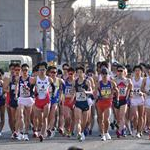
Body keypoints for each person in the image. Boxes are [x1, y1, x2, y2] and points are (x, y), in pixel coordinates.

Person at [32, 62, 55, 142]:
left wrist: (52, 94)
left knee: (45, 117)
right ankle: (40, 129)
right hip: (38, 100)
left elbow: (53, 87)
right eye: (40, 70)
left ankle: (42, 134)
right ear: (38, 70)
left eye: (43, 70)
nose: (42, 71)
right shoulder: (35, 79)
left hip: (46, 99)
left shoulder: (49, 79)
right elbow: (31, 88)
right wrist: (33, 95)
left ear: (46, 70)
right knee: (40, 119)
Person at [95, 67, 119, 141]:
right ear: (101, 75)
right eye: (103, 74)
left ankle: (106, 132)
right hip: (100, 103)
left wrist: (116, 99)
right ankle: (102, 134)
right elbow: (95, 92)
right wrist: (97, 96)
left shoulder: (111, 83)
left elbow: (117, 91)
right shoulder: (99, 83)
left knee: (106, 119)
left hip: (108, 102)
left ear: (108, 74)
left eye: (106, 73)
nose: (104, 75)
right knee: (100, 119)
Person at [15, 64, 35, 141]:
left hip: (29, 99)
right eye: (23, 70)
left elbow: (37, 86)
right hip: (21, 98)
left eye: (26, 70)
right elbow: (17, 87)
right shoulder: (18, 78)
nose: (24, 72)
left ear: (28, 70)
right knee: (20, 115)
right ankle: (20, 133)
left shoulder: (31, 79)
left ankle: (26, 133)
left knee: (27, 117)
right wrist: (16, 94)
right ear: (21, 71)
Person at [74, 66, 93, 142]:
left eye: (81, 72)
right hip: (78, 103)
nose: (79, 74)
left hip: (85, 103)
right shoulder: (75, 82)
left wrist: (86, 92)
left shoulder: (87, 82)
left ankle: (81, 132)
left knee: (84, 122)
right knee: (78, 120)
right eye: (78, 72)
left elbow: (91, 91)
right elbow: (73, 90)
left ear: (84, 73)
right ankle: (78, 133)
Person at [114, 65, 132, 138]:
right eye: (118, 71)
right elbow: (112, 90)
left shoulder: (128, 80)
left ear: (124, 71)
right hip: (116, 100)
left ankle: (121, 131)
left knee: (122, 116)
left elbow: (130, 89)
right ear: (117, 72)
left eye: (121, 71)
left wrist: (128, 97)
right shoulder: (114, 80)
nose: (120, 72)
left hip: (124, 100)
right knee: (118, 117)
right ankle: (122, 128)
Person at [4, 63, 21, 138]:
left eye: (15, 69)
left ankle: (17, 131)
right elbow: (4, 89)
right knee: (11, 117)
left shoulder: (20, 77)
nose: (13, 70)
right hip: (9, 99)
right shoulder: (8, 78)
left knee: (19, 116)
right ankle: (13, 131)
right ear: (10, 69)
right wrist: (9, 90)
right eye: (12, 69)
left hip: (19, 99)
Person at [47, 66, 65, 137]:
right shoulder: (47, 80)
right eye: (52, 72)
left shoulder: (59, 80)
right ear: (49, 73)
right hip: (47, 99)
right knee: (47, 115)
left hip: (55, 100)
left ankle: (50, 129)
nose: (53, 74)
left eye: (54, 72)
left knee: (53, 113)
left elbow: (64, 89)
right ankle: (49, 127)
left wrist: (61, 97)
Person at [130, 65, 145, 138]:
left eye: (139, 70)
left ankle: (139, 132)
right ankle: (135, 129)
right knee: (135, 116)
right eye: (136, 70)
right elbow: (128, 89)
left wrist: (142, 93)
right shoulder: (131, 79)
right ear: (134, 71)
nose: (137, 72)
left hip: (141, 99)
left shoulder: (143, 80)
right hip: (133, 99)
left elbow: (145, 91)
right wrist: (130, 93)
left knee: (141, 116)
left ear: (141, 72)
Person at [63, 67, 75, 137]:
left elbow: (76, 92)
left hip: (74, 100)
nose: (70, 75)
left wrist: (73, 99)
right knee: (67, 117)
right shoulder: (65, 81)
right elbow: (62, 91)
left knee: (73, 117)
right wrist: (62, 99)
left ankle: (71, 131)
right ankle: (66, 128)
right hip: (66, 100)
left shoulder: (75, 81)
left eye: (71, 74)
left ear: (74, 74)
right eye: (69, 74)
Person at [0, 69, 5, 136]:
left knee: (2, 116)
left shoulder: (4, 82)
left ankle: (0, 130)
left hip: (2, 100)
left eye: (0, 75)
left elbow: (7, 90)